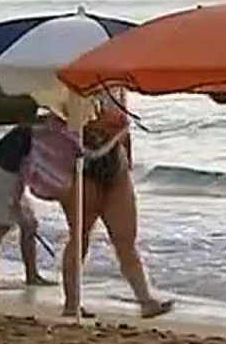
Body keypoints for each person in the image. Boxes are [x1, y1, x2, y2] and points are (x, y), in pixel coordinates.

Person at [55, 89, 174, 319]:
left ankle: (145, 300)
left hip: (115, 166)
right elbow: (69, 121)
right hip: (84, 165)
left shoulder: (119, 84)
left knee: (126, 240)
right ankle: (71, 304)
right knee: (80, 237)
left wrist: (127, 160)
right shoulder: (76, 83)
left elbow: (124, 129)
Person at [0, 121, 56, 286]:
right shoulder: (41, 134)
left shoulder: (40, 127)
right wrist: (16, 199)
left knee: (23, 224)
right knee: (12, 224)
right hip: (1, 172)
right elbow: (24, 166)